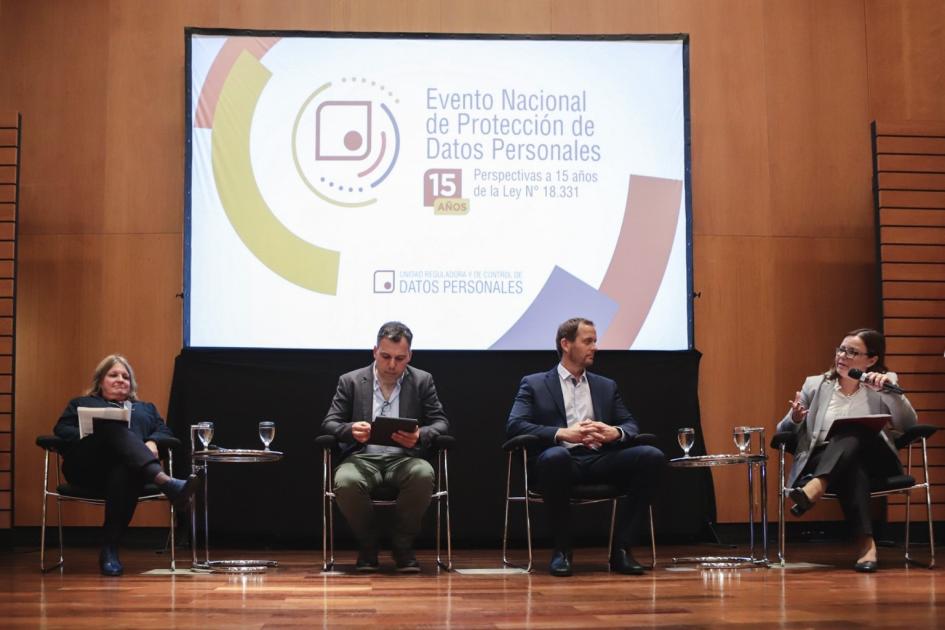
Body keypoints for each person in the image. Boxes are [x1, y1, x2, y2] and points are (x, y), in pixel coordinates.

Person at [506, 317, 665, 577]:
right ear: (566, 344)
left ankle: (621, 550)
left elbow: (630, 424)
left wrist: (614, 432)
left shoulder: (605, 385)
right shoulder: (534, 384)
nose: (595, 347)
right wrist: (562, 433)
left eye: (595, 341)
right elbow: (515, 426)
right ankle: (562, 550)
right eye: (588, 341)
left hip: (599, 459)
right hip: (558, 462)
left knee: (651, 456)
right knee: (556, 458)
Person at [777, 328, 917, 572]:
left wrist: (890, 394)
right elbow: (782, 429)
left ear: (871, 360)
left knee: (855, 431)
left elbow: (909, 426)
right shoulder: (815, 385)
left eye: (852, 352)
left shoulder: (885, 382)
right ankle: (867, 547)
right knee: (852, 465)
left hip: (876, 459)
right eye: (841, 349)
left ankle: (816, 486)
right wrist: (797, 418)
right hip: (824, 457)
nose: (843, 356)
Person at [321, 321, 450, 573]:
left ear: (409, 356)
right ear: (374, 352)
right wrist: (350, 430)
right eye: (386, 356)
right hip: (362, 459)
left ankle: (402, 546)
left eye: (400, 358)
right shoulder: (352, 381)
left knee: (423, 474)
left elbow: (442, 423)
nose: (392, 365)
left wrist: (420, 435)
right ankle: (368, 545)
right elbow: (330, 422)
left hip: (405, 458)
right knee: (345, 481)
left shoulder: (422, 381)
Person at [53, 354, 199, 576]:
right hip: (87, 468)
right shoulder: (81, 403)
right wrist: (92, 434)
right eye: (113, 375)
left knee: (124, 470)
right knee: (111, 427)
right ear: (100, 381)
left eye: (125, 376)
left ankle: (109, 549)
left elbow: (165, 432)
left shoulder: (145, 408)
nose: (121, 379)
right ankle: (166, 482)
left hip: (129, 473)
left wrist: (152, 441)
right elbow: (61, 430)